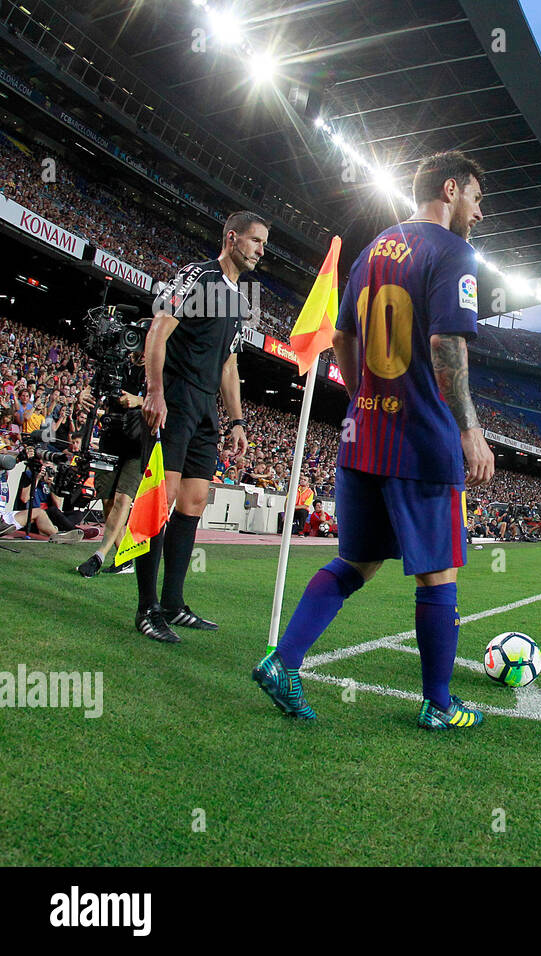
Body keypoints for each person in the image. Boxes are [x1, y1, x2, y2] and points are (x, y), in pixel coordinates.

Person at [253, 149, 493, 732]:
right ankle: (439, 703)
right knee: (439, 574)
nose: (480, 215)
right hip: (423, 439)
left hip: (364, 436)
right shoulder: (454, 252)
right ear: (451, 187)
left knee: (355, 561)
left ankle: (283, 662)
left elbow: (341, 337)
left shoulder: (372, 249)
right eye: (477, 199)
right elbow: (445, 347)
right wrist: (469, 428)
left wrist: (365, 398)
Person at [135, 211, 265, 642]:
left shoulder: (240, 301)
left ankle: (173, 603)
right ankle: (146, 609)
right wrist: (154, 391)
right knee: (162, 502)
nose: (261, 251)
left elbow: (229, 364)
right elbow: (159, 328)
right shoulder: (197, 276)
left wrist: (238, 420)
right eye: (255, 241)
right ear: (232, 239)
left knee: (193, 503)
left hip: (207, 409)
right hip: (174, 398)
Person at [76, 353, 148, 577]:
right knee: (107, 500)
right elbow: (93, 387)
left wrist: (139, 401)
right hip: (111, 437)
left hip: (139, 443)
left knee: (122, 499)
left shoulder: (160, 368)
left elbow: (172, 403)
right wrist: (84, 393)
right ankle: (124, 559)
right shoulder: (115, 364)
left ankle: (99, 554)